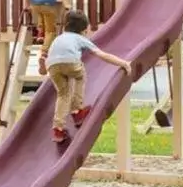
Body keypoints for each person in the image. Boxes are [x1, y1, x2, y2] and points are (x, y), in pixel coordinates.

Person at [45, 9, 131, 143]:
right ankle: (77, 111)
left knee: (63, 94)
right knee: (80, 75)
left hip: (51, 65)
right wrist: (123, 63)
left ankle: (58, 129)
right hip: (71, 62)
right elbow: (102, 55)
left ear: (66, 26)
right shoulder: (80, 38)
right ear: (83, 30)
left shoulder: (59, 37)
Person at [24, 0, 69, 74]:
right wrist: (66, 3)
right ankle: (44, 55)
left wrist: (26, 4)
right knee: (51, 32)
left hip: (35, 4)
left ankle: (40, 33)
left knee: (41, 15)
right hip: (48, 5)